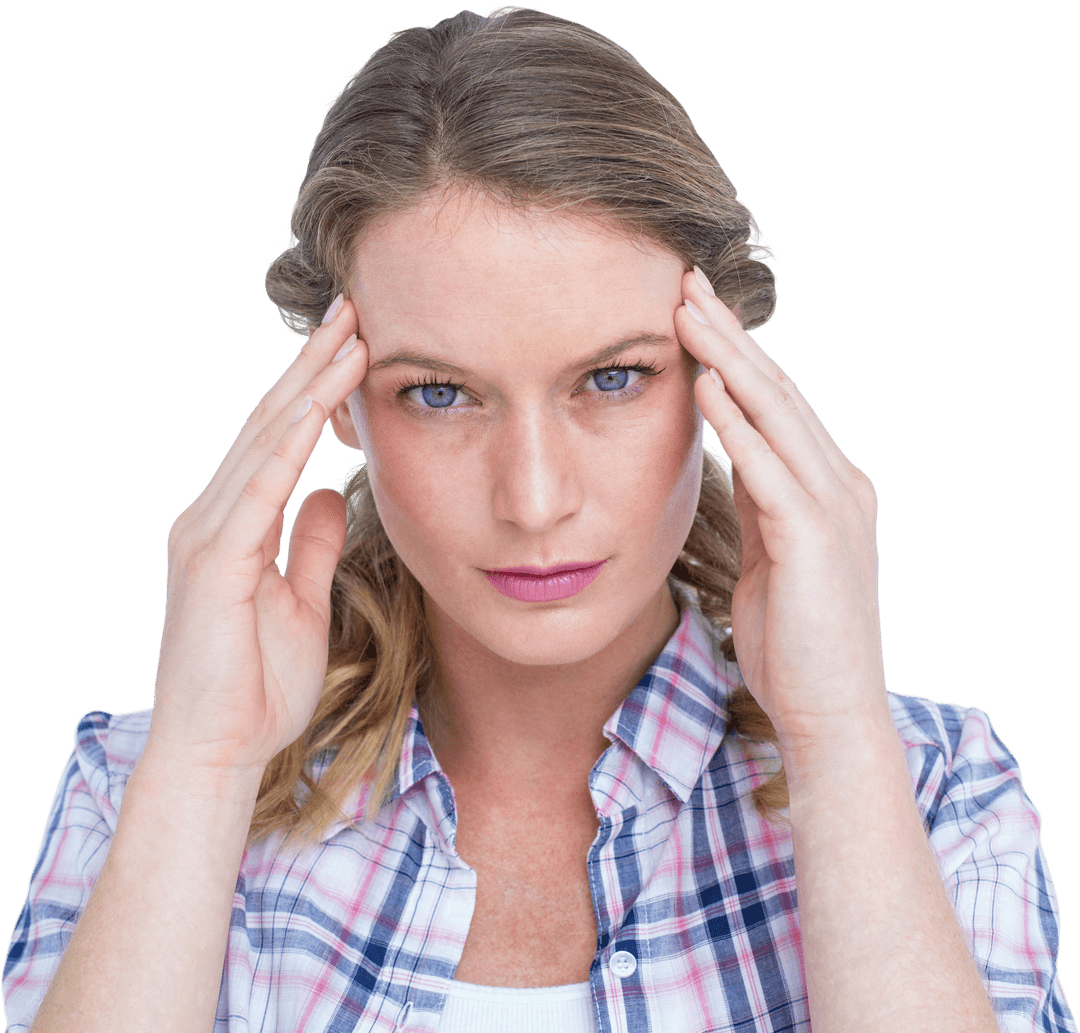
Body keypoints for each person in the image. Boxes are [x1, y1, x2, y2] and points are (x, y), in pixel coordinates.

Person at [3, 6, 1074, 1033]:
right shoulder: (144, 786)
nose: (534, 499)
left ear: (723, 369)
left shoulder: (933, 787)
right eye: (438, 392)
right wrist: (203, 768)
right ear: (335, 394)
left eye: (612, 378)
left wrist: (839, 736)